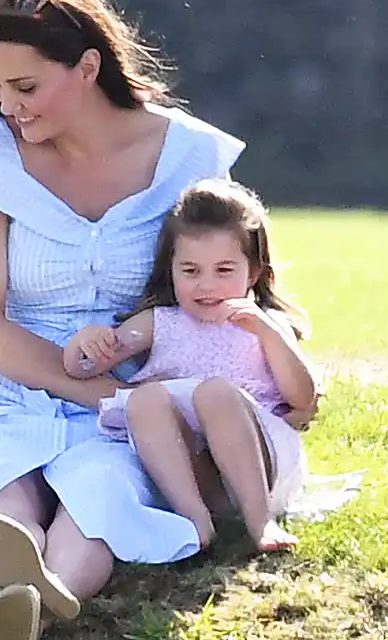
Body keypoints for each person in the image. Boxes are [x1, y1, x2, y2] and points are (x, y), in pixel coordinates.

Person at [0, 0, 316, 640]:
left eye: (28, 87)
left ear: (88, 67)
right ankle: (17, 581)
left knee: (99, 500)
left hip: (146, 404)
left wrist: (267, 370)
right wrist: (97, 394)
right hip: (21, 386)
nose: (7, 105)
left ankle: (34, 609)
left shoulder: (192, 156)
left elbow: (237, 281)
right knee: (0, 492)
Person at [64, 178, 317, 552]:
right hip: (197, 474)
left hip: (263, 467)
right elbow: (84, 366)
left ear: (255, 273)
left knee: (214, 392)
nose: (207, 286)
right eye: (191, 271)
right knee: (144, 399)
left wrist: (267, 333)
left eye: (224, 270)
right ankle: (195, 522)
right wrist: (84, 343)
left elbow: (302, 397)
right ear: (172, 270)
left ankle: (260, 522)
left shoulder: (263, 325)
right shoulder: (161, 322)